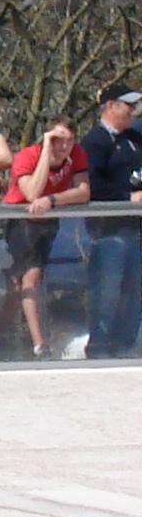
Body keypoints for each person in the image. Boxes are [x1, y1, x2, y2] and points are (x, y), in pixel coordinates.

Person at [1, 115, 90, 358]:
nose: (64, 146)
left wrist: (52, 200)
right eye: (58, 140)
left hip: (48, 220)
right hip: (21, 220)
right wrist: (46, 152)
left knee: (18, 286)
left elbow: (83, 191)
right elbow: (32, 193)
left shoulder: (76, 153)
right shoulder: (27, 156)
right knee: (30, 277)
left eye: (69, 140)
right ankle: (40, 345)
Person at [82, 85, 142, 359]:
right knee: (107, 290)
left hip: (136, 230)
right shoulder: (94, 142)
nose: (133, 111)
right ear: (110, 106)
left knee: (134, 290)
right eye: (128, 105)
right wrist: (128, 198)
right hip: (108, 231)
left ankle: (125, 345)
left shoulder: (135, 139)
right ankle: (99, 347)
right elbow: (92, 185)